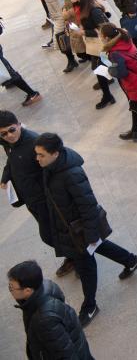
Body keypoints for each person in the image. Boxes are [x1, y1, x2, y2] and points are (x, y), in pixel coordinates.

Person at [36, 133, 137, 325]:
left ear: (55, 154)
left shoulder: (71, 174)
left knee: (86, 265)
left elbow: (87, 204)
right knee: (99, 247)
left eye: (41, 155)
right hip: (70, 229)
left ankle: (90, 306)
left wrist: (91, 234)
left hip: (79, 230)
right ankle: (132, 260)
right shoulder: (50, 167)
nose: (37, 158)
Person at [0, 113, 60, 264]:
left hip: (45, 199)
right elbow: (11, 160)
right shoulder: (9, 143)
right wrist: (5, 177)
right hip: (31, 199)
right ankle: (72, 257)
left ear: (19, 124)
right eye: (3, 134)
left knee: (50, 235)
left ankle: (79, 258)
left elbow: (53, 170)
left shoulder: (34, 143)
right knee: (53, 234)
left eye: (12, 130)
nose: (9, 136)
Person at [8, 260, 92, 359]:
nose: (10, 290)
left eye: (11, 287)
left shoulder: (45, 320)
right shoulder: (43, 287)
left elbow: (65, 354)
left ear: (27, 291)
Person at [99, 23, 137, 142]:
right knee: (136, 108)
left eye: (101, 35)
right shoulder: (125, 39)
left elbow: (122, 73)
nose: (100, 37)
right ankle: (135, 132)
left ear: (106, 38)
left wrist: (110, 70)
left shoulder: (115, 53)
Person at [68, 0, 115, 109]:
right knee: (99, 69)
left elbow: (106, 29)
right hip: (95, 46)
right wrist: (82, 27)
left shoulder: (94, 10)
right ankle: (108, 91)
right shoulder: (80, 6)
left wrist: (83, 32)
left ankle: (108, 95)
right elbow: (84, 20)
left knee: (99, 69)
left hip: (103, 46)